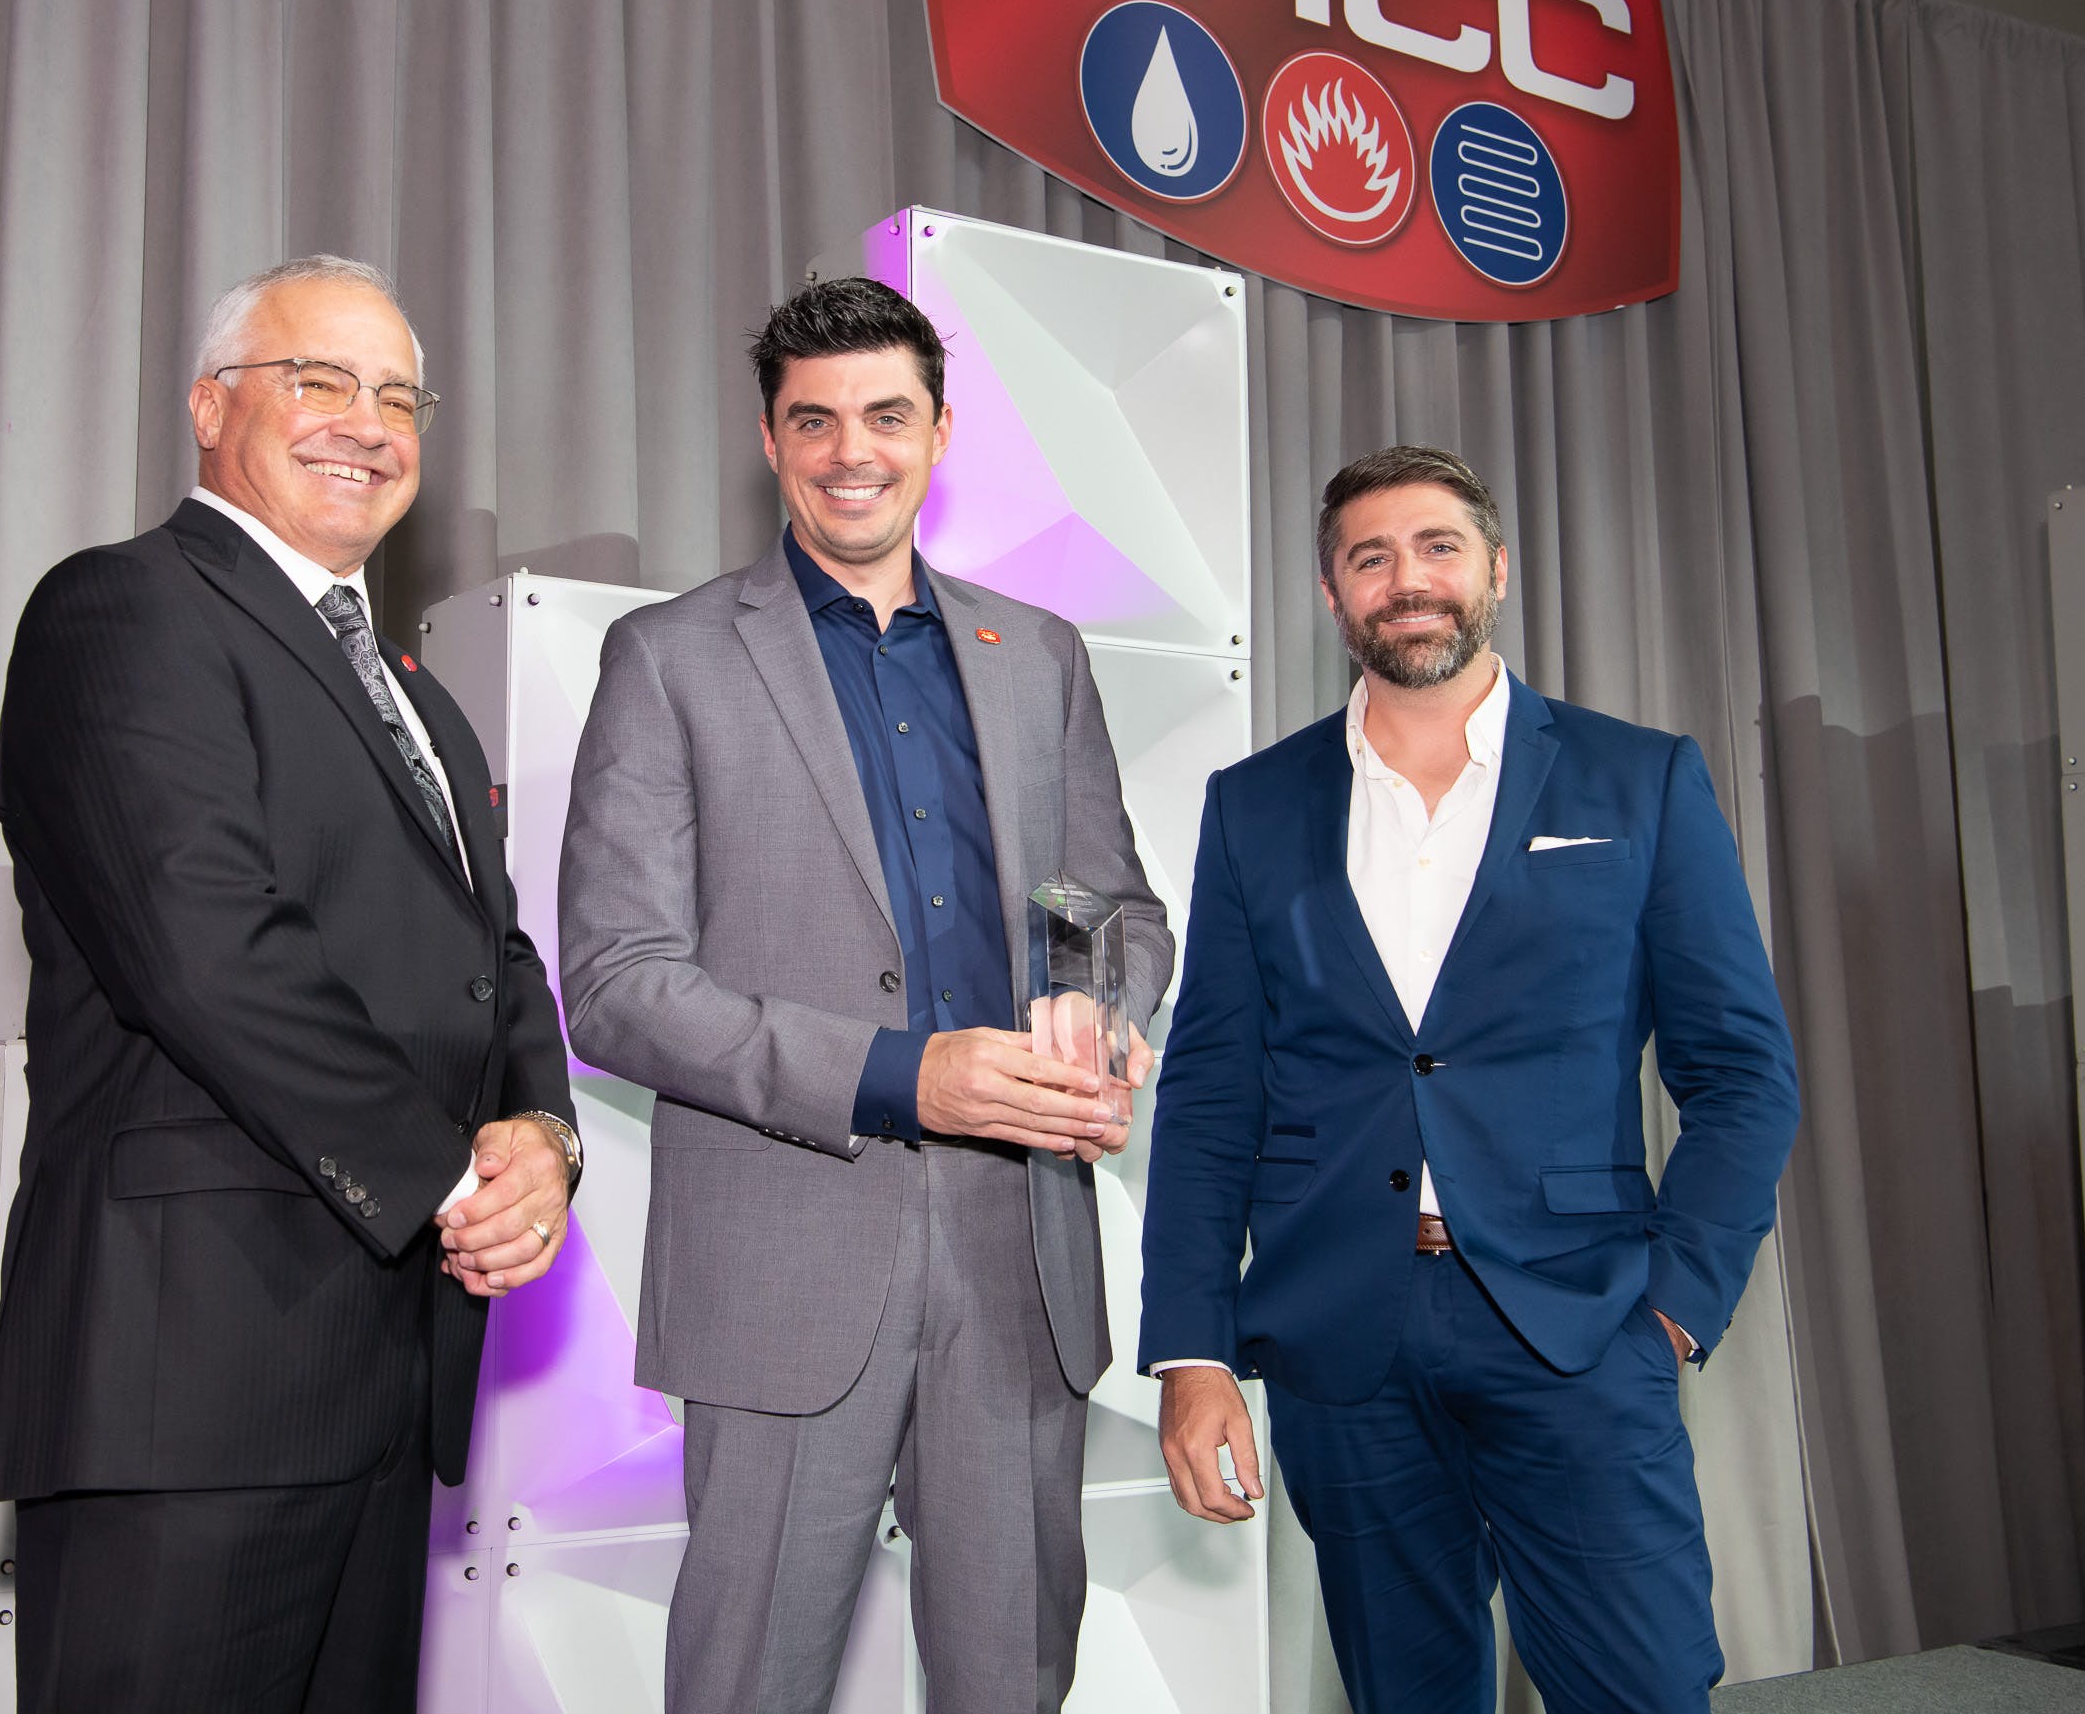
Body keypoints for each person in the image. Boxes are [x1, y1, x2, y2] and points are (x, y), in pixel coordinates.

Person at [0, 255, 582, 1713]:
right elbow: (204, 947)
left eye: (396, 396)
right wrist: (451, 1178)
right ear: (208, 406)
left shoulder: (418, 694)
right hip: (186, 1385)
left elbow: (491, 957)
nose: (364, 424)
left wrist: (542, 1140)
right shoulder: (122, 611)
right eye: (319, 381)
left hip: (378, 1384)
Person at [556, 277, 1174, 1714]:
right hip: (787, 1255)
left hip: (1020, 1253)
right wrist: (907, 1076)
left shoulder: (1043, 656)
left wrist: (1101, 1007)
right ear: (770, 443)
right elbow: (618, 985)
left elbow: (1112, 906)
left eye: (887, 415)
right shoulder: (670, 657)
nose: (853, 450)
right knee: (748, 1682)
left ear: (941, 431)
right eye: (814, 419)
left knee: (1012, 1680)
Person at [1139, 445, 1800, 1714]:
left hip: (1581, 1323)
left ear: (1495, 568)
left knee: (1646, 1688)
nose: (1408, 579)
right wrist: (1191, 1350)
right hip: (1346, 1341)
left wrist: (1669, 1305)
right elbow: (1215, 1090)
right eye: (1369, 556)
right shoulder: (1256, 804)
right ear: (1331, 595)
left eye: (1437, 546)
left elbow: (1743, 1072)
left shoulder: (1638, 777)